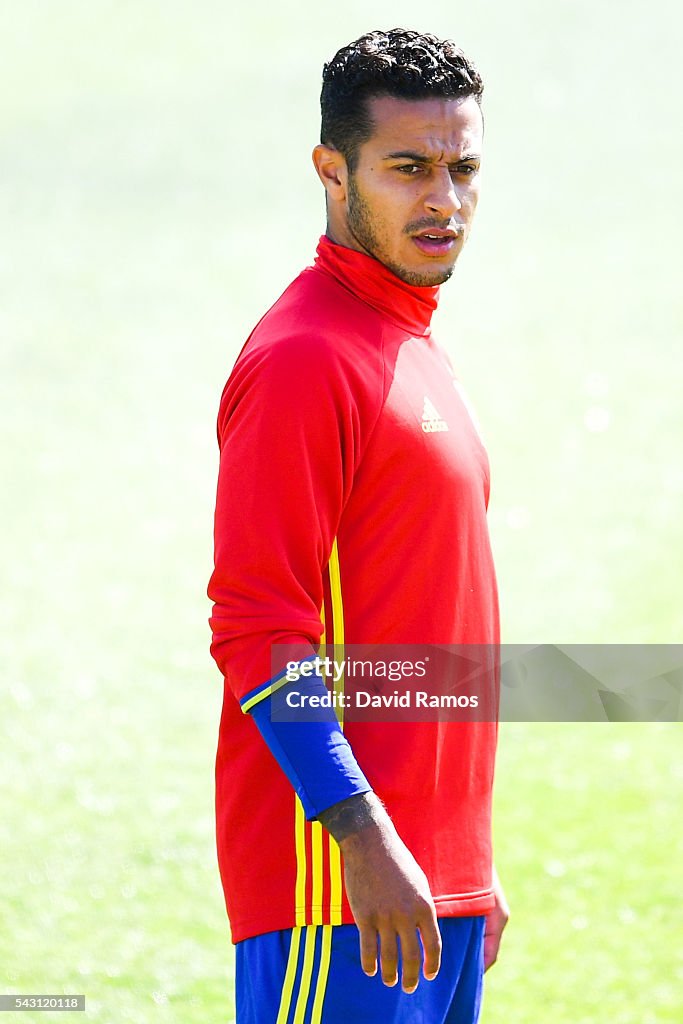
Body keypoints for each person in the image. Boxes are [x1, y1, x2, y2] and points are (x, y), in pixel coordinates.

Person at [208, 27, 509, 1024]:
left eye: (461, 167)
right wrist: (363, 836)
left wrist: (464, 854)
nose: (443, 199)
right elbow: (257, 626)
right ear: (331, 172)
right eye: (408, 168)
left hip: (430, 882)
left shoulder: (417, 351)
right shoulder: (304, 358)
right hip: (337, 888)